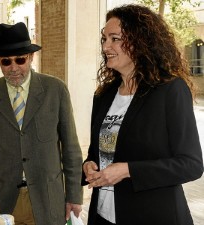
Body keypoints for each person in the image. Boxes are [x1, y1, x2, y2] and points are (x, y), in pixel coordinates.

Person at [82, 4, 203, 225]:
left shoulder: (170, 90)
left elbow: (191, 164)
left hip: (153, 215)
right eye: (104, 38)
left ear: (140, 41)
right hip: (102, 215)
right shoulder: (104, 95)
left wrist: (128, 170)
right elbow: (96, 152)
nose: (106, 45)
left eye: (114, 38)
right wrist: (88, 164)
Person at [0, 22, 83, 225]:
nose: (13, 68)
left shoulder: (55, 90)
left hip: (48, 201)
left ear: (31, 57)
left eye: (20, 59)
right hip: (3, 202)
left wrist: (74, 195)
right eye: (6, 61)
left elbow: (71, 148)